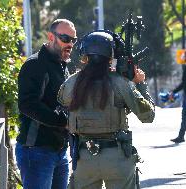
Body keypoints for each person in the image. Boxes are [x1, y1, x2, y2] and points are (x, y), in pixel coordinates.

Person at [57, 31, 155, 189]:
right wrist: (140, 84)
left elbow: (63, 100)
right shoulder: (121, 83)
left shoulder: (72, 82)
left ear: (85, 57)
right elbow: (148, 115)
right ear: (111, 57)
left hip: (84, 158)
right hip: (117, 157)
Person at [15, 19, 77, 189]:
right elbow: (27, 104)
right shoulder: (35, 64)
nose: (70, 43)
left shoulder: (63, 66)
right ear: (51, 36)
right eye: (66, 38)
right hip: (36, 151)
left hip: (59, 151)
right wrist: (63, 122)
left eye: (73, 40)